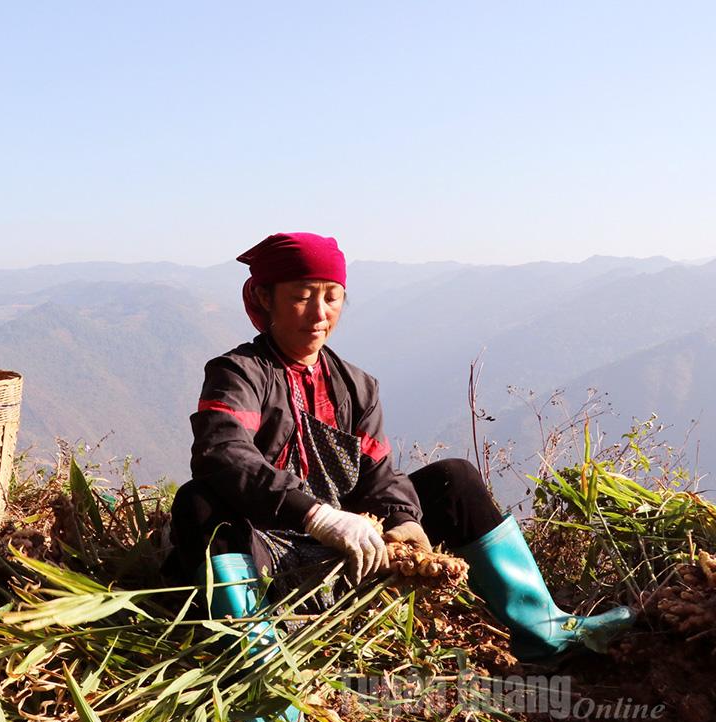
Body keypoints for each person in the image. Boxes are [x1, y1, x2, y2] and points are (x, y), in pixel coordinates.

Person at [167, 232, 634, 665]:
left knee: (456, 479)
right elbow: (222, 452)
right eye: (301, 297)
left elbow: (378, 474)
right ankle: (257, 662)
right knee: (200, 500)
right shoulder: (240, 373)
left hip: (354, 548)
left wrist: (401, 519)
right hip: (269, 545)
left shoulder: (356, 385)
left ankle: (545, 630)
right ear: (265, 299)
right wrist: (316, 515)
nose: (319, 314)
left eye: (331, 298)